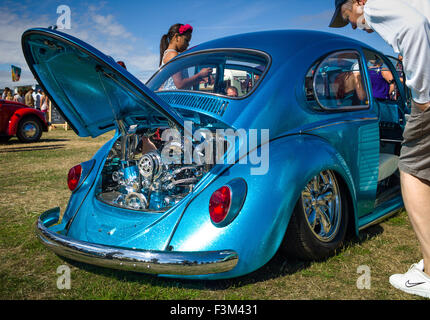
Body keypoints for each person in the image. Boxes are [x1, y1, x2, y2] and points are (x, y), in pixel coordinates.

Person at [330, 0, 430, 298]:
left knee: (411, 170)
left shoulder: (375, 6)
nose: (354, 24)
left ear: (358, 2)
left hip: (427, 102)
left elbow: (413, 29)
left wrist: (422, 99)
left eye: (349, 17)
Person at [159, 23, 212, 90]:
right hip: (175, 98)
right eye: (186, 40)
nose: (187, 44)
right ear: (177, 37)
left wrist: (198, 79)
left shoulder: (168, 54)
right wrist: (200, 75)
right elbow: (179, 84)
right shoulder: (173, 54)